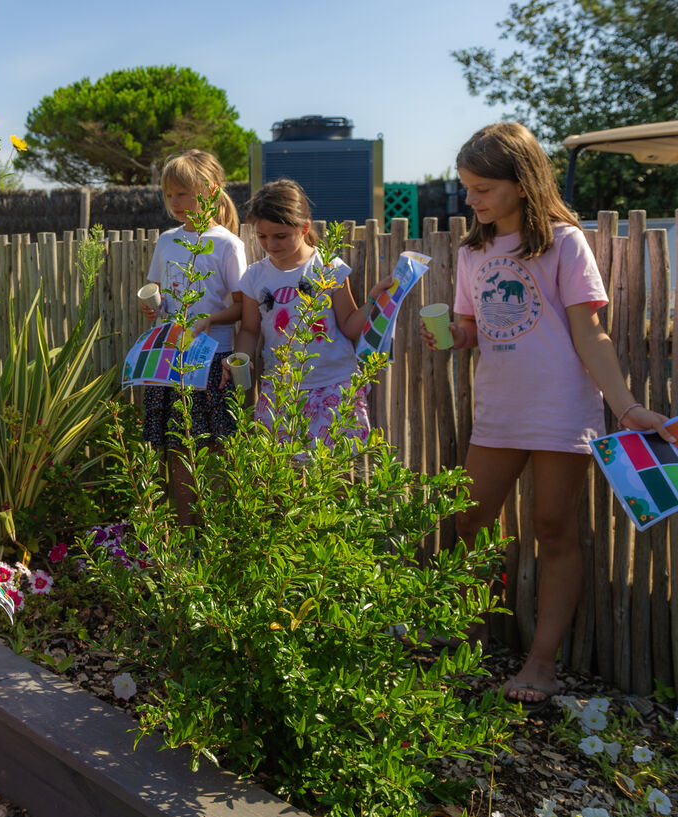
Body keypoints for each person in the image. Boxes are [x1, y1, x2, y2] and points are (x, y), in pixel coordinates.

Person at [426, 122, 672, 705]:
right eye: (467, 188)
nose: (472, 200)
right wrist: (455, 336)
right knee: (466, 523)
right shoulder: (473, 251)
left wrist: (628, 406)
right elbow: (471, 326)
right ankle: (463, 639)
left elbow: (591, 331)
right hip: (498, 408)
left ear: (522, 181)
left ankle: (541, 662)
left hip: (562, 408)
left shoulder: (564, 242)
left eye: (483, 188)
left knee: (555, 532)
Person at [140, 149, 248, 524]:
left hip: (213, 359)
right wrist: (151, 309)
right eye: (170, 194)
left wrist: (208, 319)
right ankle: (188, 539)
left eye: (183, 193)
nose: (176, 202)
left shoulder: (227, 245)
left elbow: (242, 307)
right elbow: (158, 290)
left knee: (214, 451)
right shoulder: (167, 241)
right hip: (169, 360)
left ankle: (218, 537)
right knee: (176, 451)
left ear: (211, 189)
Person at [233, 179, 376, 447]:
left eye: (280, 236)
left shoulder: (328, 267)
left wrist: (375, 300)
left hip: (335, 384)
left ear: (304, 228)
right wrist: (239, 358)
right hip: (281, 389)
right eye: (262, 236)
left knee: (335, 477)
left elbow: (349, 325)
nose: (270, 244)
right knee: (286, 479)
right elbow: (250, 329)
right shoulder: (255, 276)